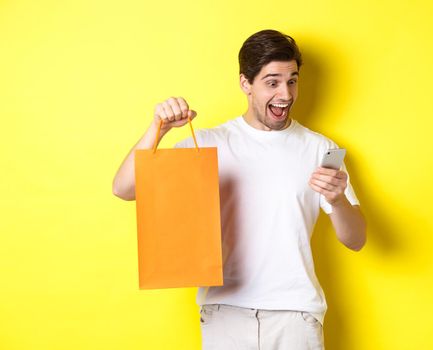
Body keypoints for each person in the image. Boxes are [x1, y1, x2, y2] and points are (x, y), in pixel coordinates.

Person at [112, 29, 366, 350]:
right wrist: (157, 130)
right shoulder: (206, 143)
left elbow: (356, 240)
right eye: (272, 82)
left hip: (295, 314)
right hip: (224, 312)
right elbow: (124, 188)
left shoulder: (319, 149)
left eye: (292, 80)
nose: (285, 94)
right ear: (246, 83)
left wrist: (337, 199)